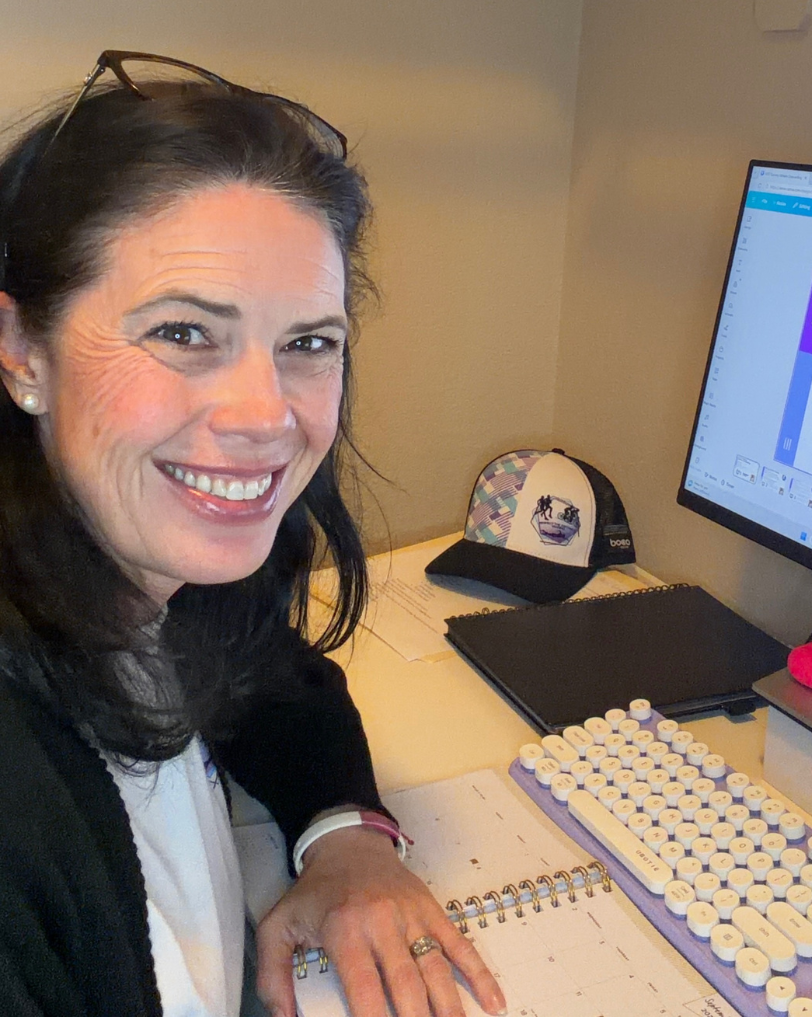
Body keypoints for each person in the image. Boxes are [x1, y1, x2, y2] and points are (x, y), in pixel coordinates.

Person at [0, 52, 505, 1017]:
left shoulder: (141, 572)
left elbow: (274, 682)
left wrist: (346, 840)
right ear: (24, 351)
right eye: (185, 333)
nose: (266, 414)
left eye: (308, 343)